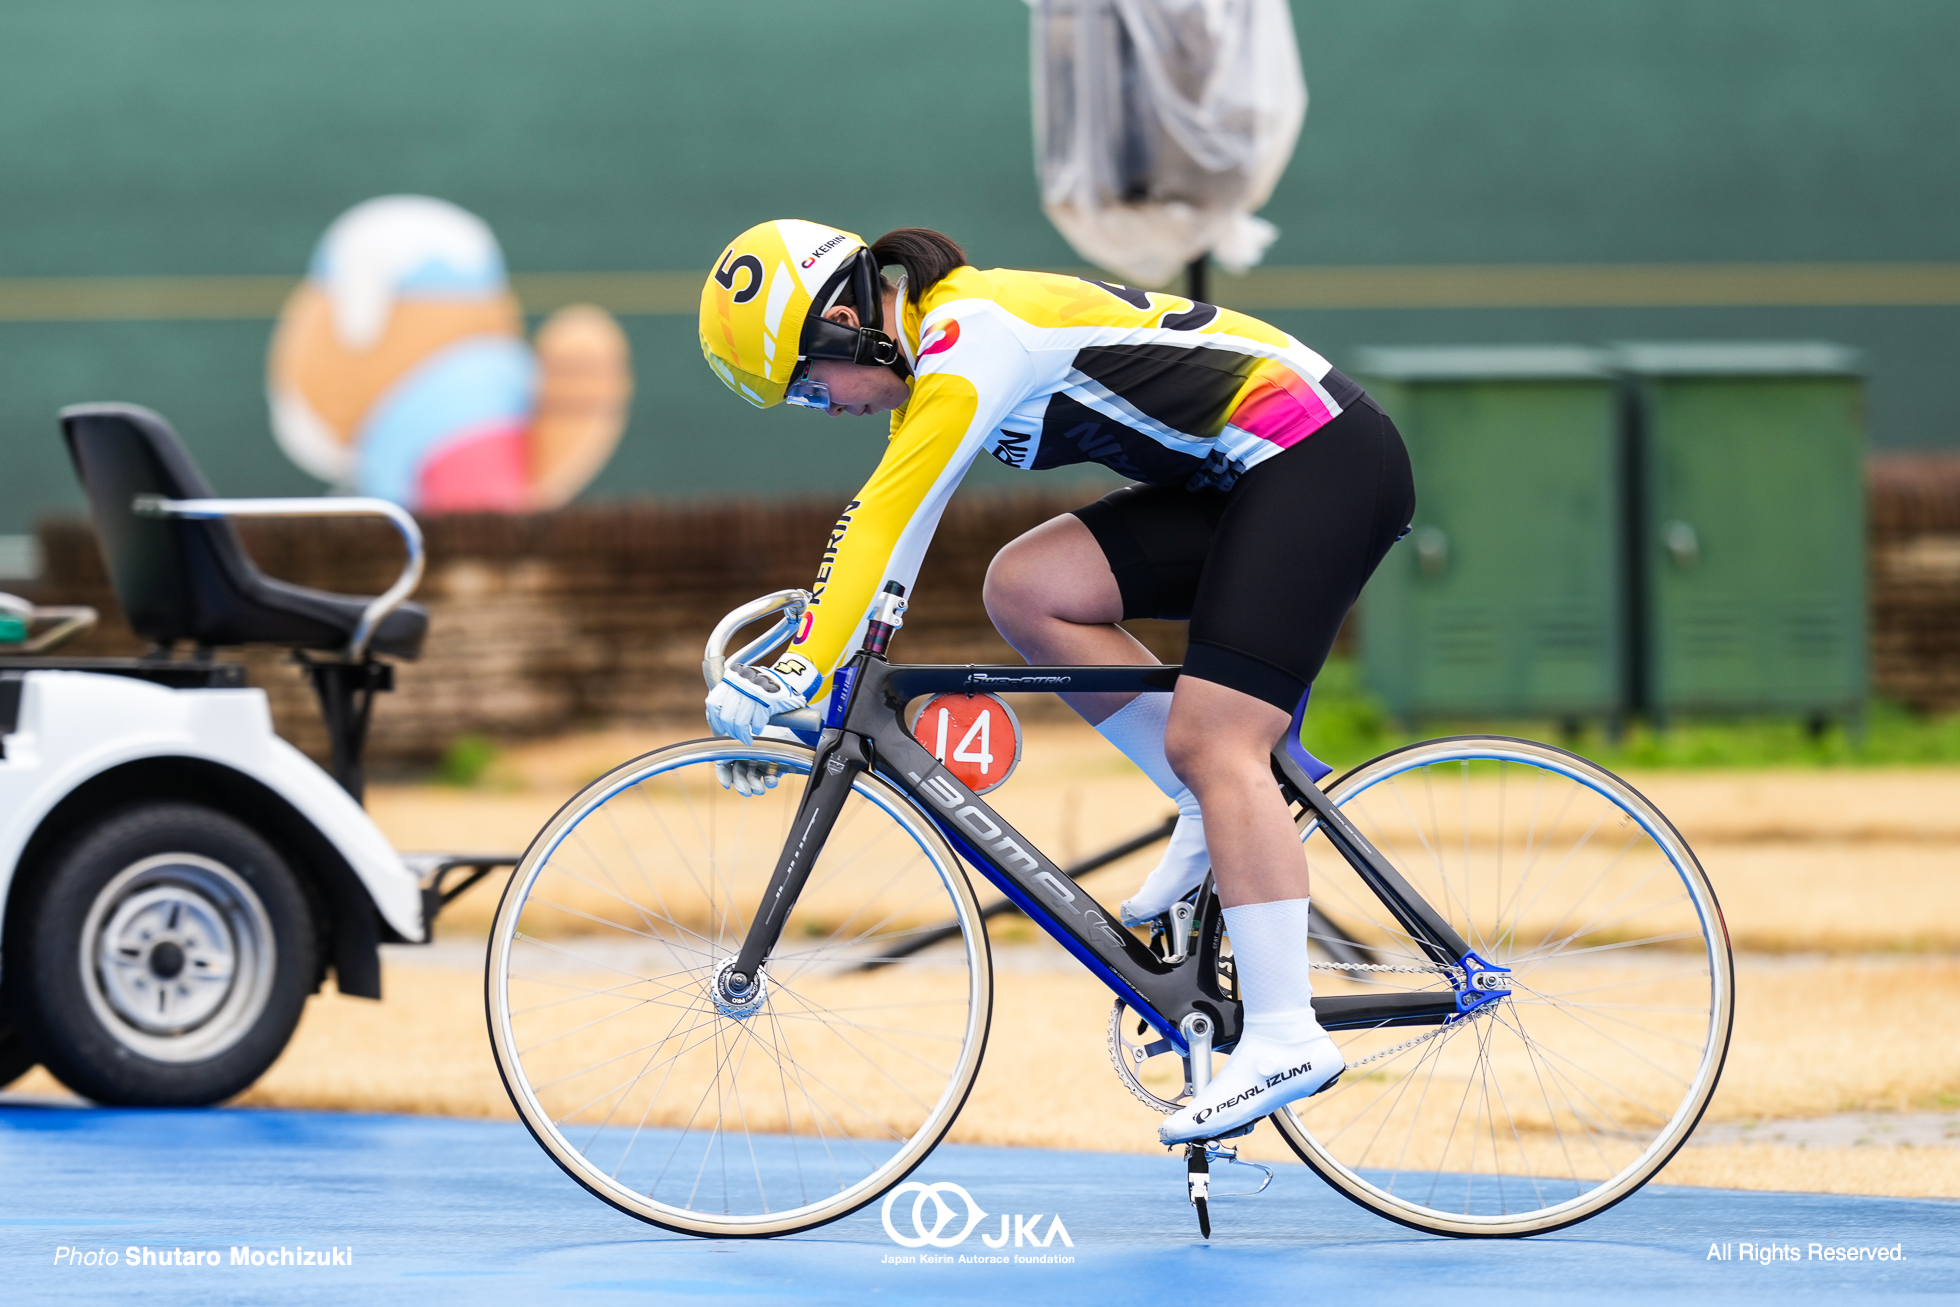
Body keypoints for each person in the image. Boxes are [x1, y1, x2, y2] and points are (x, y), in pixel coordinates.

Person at [697, 220, 1414, 1145]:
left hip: (1319, 458)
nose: (820, 405)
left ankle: (1284, 1031)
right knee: (1028, 587)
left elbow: (888, 513)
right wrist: (808, 670)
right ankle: (1207, 802)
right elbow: (890, 540)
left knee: (1217, 739)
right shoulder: (938, 347)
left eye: (804, 384)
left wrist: (797, 667)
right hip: (1247, 478)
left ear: (846, 321)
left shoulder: (966, 336)